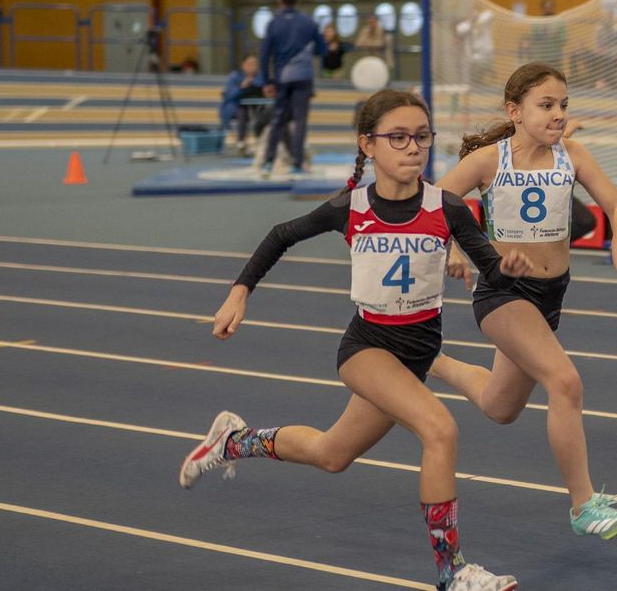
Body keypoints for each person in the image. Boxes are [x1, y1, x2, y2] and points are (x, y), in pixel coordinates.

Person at [180, 89, 527, 591]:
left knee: (331, 454)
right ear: (368, 144)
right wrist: (239, 293)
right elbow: (281, 233)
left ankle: (233, 441)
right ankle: (452, 572)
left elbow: (495, 273)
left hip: (415, 356)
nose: (413, 147)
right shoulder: (352, 207)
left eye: (422, 137)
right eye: (399, 137)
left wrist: (506, 268)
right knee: (440, 429)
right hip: (367, 350)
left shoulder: (448, 208)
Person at [434, 62, 617, 540]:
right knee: (565, 382)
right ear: (515, 111)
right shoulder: (491, 160)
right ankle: (583, 506)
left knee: (499, 406)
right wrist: (454, 249)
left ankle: (426, 359)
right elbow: (434, 203)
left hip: (551, 294)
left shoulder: (572, 155)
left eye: (563, 105)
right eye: (546, 105)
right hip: (504, 292)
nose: (558, 114)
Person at [258, 0, 327, 176]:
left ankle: (268, 162)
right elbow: (322, 50)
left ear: (280, 0)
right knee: (300, 121)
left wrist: (266, 80)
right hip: (303, 77)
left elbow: (264, 54)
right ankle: (298, 163)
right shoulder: (309, 22)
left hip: (282, 77)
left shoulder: (273, 23)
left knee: (278, 119)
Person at [220, 54, 267, 154]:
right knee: (242, 111)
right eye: (249, 64)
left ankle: (261, 141)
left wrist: (253, 82)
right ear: (243, 65)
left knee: (263, 113)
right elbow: (230, 95)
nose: (252, 67)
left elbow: (264, 86)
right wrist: (242, 87)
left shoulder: (259, 76)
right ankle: (241, 143)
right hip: (234, 107)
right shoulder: (234, 76)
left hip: (256, 107)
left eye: (255, 64)